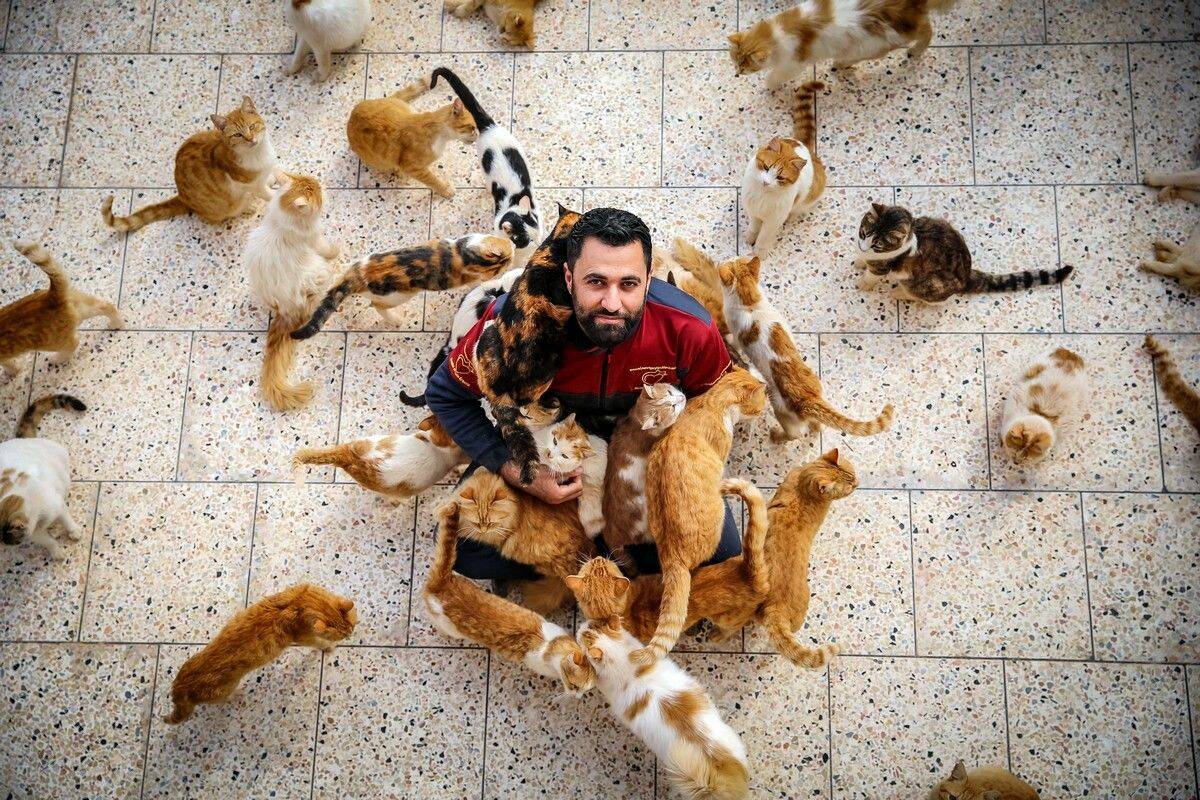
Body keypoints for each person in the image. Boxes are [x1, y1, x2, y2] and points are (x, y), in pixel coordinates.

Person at [425, 207, 740, 581]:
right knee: (462, 547)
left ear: (648, 279)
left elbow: (717, 399)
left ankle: (600, 553)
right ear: (568, 277)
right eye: (596, 282)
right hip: (553, 442)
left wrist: (670, 470)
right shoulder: (516, 323)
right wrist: (520, 472)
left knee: (720, 553)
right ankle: (595, 552)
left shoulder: (689, 327)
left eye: (628, 284)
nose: (612, 303)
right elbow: (445, 394)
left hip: (644, 444)